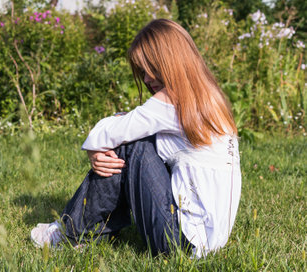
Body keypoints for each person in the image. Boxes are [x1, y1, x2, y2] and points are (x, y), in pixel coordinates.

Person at [31, 19, 241, 258]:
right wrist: (102, 143)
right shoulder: (206, 97)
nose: (146, 78)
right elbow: (132, 125)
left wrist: (95, 149)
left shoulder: (172, 101)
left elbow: (112, 133)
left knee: (132, 144)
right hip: (204, 241)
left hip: (180, 244)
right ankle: (85, 231)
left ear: (170, 61)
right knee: (134, 142)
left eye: (151, 67)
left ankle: (70, 233)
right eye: (142, 71)